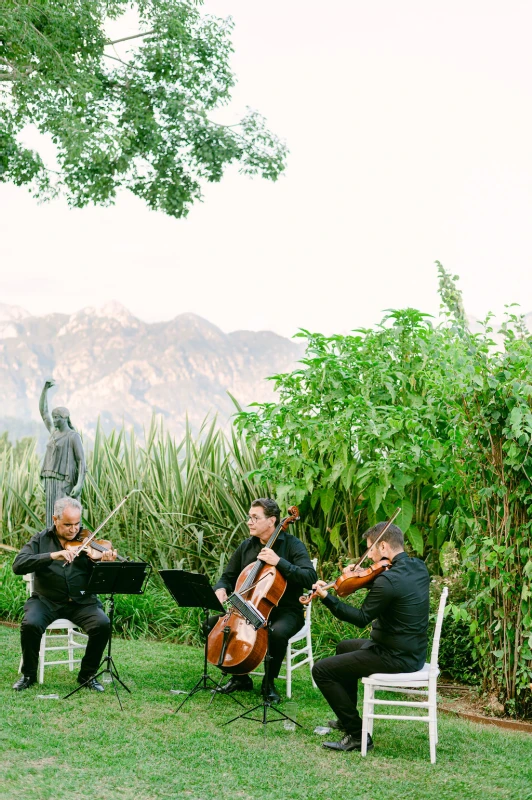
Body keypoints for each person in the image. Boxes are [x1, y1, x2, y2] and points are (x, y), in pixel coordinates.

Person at [312, 521, 430, 752]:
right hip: (412, 652)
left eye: (371, 550)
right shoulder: (418, 567)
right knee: (344, 647)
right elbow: (389, 586)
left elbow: (360, 618)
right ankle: (348, 719)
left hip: (394, 656)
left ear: (384, 547)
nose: (369, 558)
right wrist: (358, 578)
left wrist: (328, 598)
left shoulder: (387, 580)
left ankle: (357, 735)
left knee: (321, 670)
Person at [210, 498, 317, 703]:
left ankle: (268, 683)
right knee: (210, 626)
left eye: (255, 518)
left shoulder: (293, 545)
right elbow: (228, 577)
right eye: (249, 517)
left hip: (286, 611)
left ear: (272, 521)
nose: (249, 522)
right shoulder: (247, 546)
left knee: (276, 633)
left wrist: (279, 562)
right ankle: (240, 677)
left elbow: (309, 578)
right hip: (247, 609)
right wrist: (221, 588)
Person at [12, 496, 117, 692]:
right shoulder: (41, 539)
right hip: (46, 600)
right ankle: (28, 675)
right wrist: (53, 555)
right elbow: (18, 565)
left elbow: (100, 578)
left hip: (81, 602)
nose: (74, 529)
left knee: (102, 624)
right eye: (68, 524)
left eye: (77, 524)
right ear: (55, 519)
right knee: (30, 624)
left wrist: (104, 563)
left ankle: (87, 675)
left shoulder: (87, 541)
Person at [39, 379, 86, 528]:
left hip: (64, 483)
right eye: (54, 418)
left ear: (65, 418)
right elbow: (43, 412)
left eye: (57, 417)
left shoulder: (73, 436)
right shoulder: (54, 433)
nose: (54, 420)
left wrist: (79, 484)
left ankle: (68, 546)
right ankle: (51, 544)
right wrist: (45, 389)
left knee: (65, 515)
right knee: (52, 516)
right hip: (50, 480)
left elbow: (81, 461)